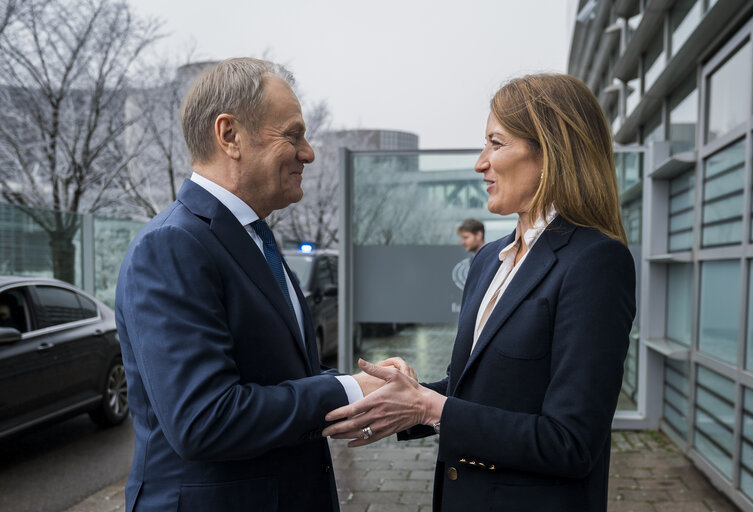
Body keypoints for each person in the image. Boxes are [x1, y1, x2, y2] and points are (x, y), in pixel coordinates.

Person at [323, 73, 636, 512]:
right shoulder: (490, 258)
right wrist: (402, 397)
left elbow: (571, 442)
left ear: (551, 152)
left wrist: (431, 409)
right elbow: (482, 389)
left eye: (495, 143)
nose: (479, 163)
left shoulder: (595, 262)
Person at [115, 58, 381, 512]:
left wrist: (366, 385)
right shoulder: (172, 246)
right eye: (293, 135)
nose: (309, 153)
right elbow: (204, 420)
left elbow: (276, 379)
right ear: (230, 135)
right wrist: (347, 391)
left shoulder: (250, 236)